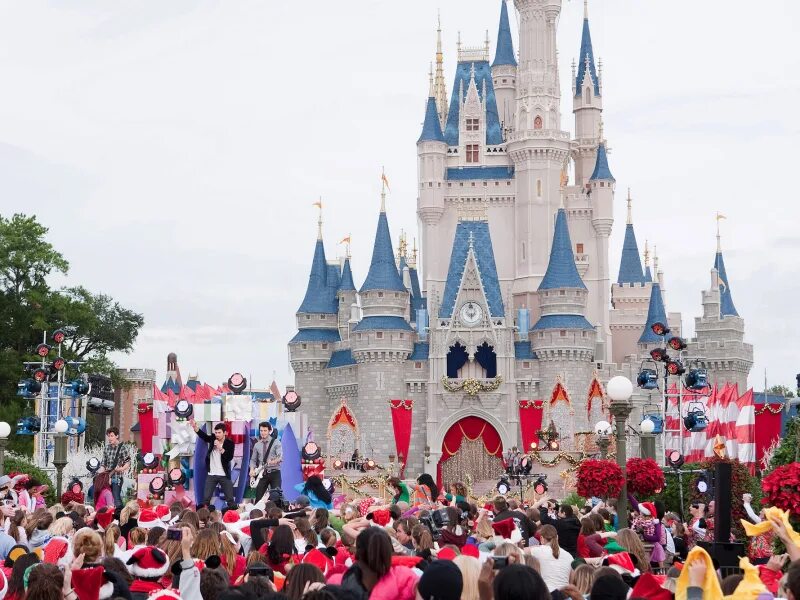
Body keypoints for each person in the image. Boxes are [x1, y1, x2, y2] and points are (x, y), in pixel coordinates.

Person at [192, 421, 236, 508]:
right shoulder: (213, 438)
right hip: (212, 474)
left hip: (224, 474)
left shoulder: (229, 443)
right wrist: (195, 428)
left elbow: (229, 457)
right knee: (206, 498)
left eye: (219, 432)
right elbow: (204, 437)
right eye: (216, 432)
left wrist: (220, 448)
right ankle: (205, 516)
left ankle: (233, 516)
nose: (217, 435)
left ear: (224, 433)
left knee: (230, 499)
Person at [529, 524, 573, 592]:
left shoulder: (536, 551)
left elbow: (519, 551)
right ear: (557, 537)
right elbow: (571, 582)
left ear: (541, 538)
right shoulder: (569, 556)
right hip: (564, 595)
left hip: (546, 594)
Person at [249, 422, 282, 504]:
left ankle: (276, 515)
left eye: (265, 430)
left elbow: (280, 457)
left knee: (276, 497)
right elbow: (253, 460)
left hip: (275, 472)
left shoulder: (276, 442)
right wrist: (252, 469)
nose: (263, 432)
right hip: (262, 474)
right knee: (258, 498)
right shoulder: (257, 445)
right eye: (261, 430)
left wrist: (273, 461)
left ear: (269, 431)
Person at [98, 427, 129, 509]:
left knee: (116, 499)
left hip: (117, 477)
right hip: (107, 477)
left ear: (117, 436)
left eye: (112, 436)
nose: (110, 438)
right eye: (109, 436)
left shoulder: (122, 448)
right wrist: (101, 474)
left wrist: (121, 469)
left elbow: (128, 462)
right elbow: (103, 464)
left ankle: (120, 517)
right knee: (107, 499)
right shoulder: (106, 448)